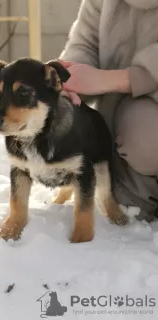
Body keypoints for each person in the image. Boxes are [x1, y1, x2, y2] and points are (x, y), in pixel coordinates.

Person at [58, 0, 158, 221]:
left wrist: (111, 79)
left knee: (144, 130)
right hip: (120, 135)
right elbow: (85, 44)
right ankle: (136, 189)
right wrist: (67, 82)